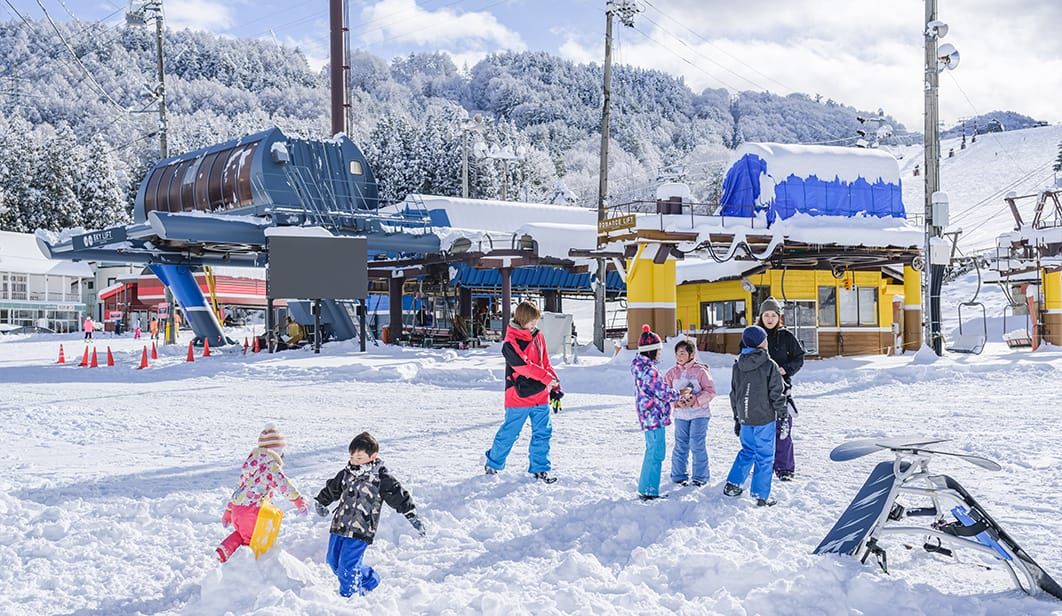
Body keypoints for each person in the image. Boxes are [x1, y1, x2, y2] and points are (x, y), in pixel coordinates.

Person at [314, 432, 425, 598]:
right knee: (334, 562)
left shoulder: (381, 478)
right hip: (339, 525)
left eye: (359, 458)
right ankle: (369, 580)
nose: (354, 461)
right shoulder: (346, 473)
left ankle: (350, 600)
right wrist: (321, 502)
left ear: (373, 456)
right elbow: (332, 489)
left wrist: (411, 514)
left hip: (361, 529)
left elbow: (397, 495)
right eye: (352, 457)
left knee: (347, 569)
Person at [483, 300, 560, 484]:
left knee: (543, 433)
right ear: (522, 318)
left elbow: (545, 363)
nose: (535, 325)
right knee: (510, 433)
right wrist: (546, 378)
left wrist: (555, 383)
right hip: (518, 396)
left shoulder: (538, 336)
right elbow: (524, 366)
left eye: (536, 321)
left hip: (540, 396)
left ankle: (540, 469)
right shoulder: (510, 342)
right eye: (532, 321)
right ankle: (493, 464)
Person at [216, 424, 309, 563]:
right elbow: (283, 484)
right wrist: (297, 500)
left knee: (242, 534)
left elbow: (238, 488)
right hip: (253, 512)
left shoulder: (251, 464)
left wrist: (229, 510)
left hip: (238, 510)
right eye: (282, 451)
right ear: (276, 451)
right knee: (253, 541)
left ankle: (224, 550)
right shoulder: (271, 465)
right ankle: (248, 567)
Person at [723, 326, 788, 507]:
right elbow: (776, 393)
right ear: (760, 343)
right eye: (765, 339)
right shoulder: (769, 365)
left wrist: (737, 418)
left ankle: (733, 484)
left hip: (745, 418)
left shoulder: (738, 365)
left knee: (747, 451)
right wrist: (782, 414)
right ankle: (761, 495)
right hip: (764, 418)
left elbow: (734, 394)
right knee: (765, 456)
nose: (767, 341)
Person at [756, 298, 805, 481]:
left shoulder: (786, 336)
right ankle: (762, 466)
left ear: (779, 317)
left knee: (783, 430)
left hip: (782, 390)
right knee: (760, 432)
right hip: (759, 391)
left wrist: (785, 369)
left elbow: (799, 358)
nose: (770, 319)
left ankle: (784, 468)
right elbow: (744, 357)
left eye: (773, 315)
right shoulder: (754, 335)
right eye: (766, 315)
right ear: (761, 316)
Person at [631, 324, 681, 501]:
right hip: (654, 416)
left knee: (652, 450)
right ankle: (649, 490)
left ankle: (647, 487)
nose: (660, 353)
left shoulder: (640, 367)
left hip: (647, 415)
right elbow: (662, 392)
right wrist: (678, 395)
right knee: (656, 452)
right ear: (652, 351)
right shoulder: (649, 371)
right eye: (658, 350)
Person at [663, 340, 716, 487]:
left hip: (699, 414)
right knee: (681, 444)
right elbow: (664, 393)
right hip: (681, 416)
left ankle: (700, 477)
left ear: (691, 354)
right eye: (677, 353)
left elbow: (710, 391)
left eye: (682, 353)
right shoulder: (672, 373)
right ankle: (678, 476)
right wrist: (675, 403)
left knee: (697, 444)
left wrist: (695, 400)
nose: (679, 357)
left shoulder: (700, 371)